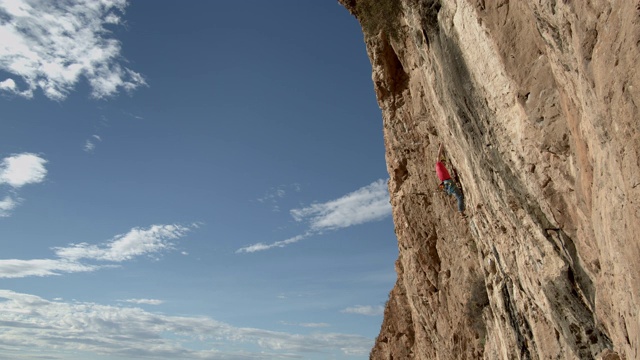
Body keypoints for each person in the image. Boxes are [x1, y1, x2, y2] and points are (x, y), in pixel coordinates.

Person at [436, 143, 465, 217]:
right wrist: (441, 146)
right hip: (448, 183)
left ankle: (461, 211)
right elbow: (438, 155)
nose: (445, 164)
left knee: (458, 195)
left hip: (446, 183)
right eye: (444, 162)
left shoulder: (439, 169)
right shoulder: (439, 165)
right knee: (460, 197)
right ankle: (461, 212)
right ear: (441, 161)